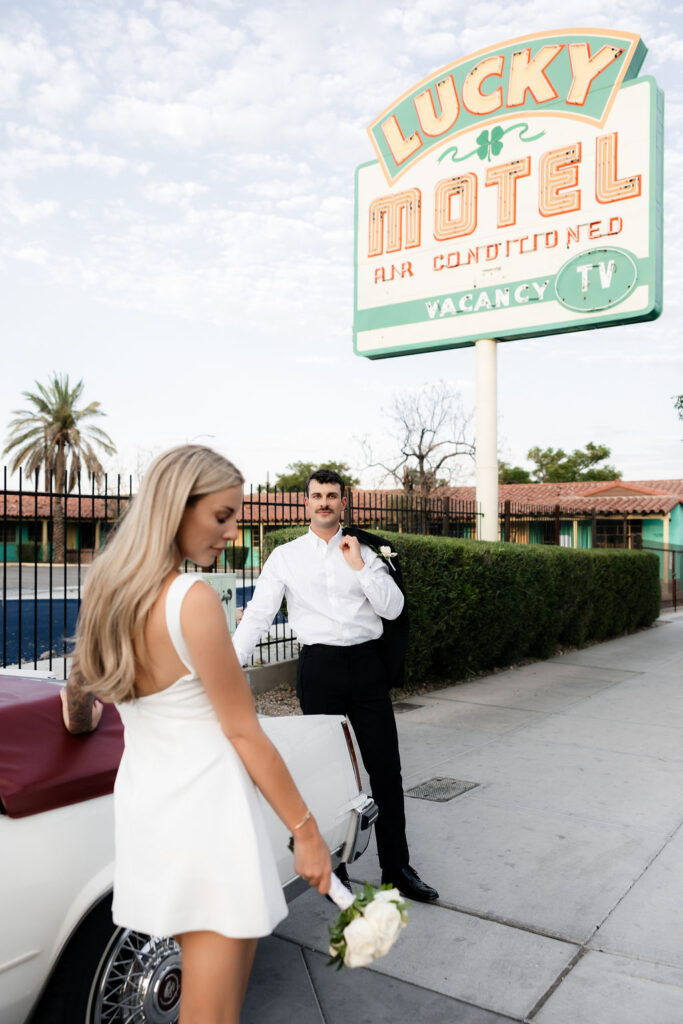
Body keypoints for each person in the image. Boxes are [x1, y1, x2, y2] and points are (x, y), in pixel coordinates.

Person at [60, 445, 331, 1024]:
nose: (232, 533)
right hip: (210, 823)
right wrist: (305, 831)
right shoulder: (193, 601)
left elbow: (77, 708)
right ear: (176, 508)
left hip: (151, 813)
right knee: (213, 1016)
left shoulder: (104, 593)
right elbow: (244, 732)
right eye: (222, 516)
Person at [233, 468, 438, 903]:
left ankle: (396, 867)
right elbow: (258, 615)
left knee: (385, 769)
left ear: (344, 503)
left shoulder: (365, 549)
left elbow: (394, 608)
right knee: (328, 773)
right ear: (305, 502)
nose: (324, 502)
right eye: (316, 495)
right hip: (319, 669)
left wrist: (360, 566)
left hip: (366, 667)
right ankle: (336, 868)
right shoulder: (285, 556)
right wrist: (229, 667)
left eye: (332, 495)